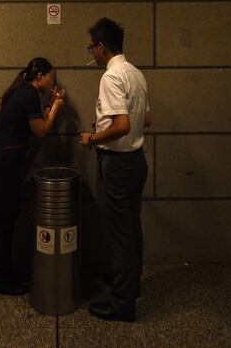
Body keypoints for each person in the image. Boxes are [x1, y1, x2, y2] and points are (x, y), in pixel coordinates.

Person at [80, 17, 151, 322]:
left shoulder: (110, 77)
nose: (91, 53)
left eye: (91, 47)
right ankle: (130, 288)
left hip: (117, 164)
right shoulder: (135, 73)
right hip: (136, 162)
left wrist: (93, 136)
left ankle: (122, 304)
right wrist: (108, 124)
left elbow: (121, 126)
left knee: (118, 236)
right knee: (132, 230)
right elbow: (143, 121)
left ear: (101, 46)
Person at [0, 57, 65, 295]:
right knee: (2, 224)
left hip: (2, 164)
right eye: (51, 77)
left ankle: (6, 273)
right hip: (3, 167)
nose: (52, 81)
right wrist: (56, 106)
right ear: (40, 76)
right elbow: (42, 131)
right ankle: (2, 280)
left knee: (4, 223)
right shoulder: (28, 95)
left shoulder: (24, 93)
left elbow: (36, 123)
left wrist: (49, 105)